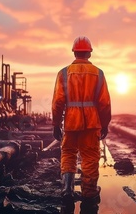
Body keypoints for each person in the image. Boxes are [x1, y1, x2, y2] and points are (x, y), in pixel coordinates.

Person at [51, 36, 112, 211]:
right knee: (90, 158)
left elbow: (57, 102)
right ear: (89, 53)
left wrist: (56, 124)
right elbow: (105, 103)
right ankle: (89, 194)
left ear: (74, 52)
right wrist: (105, 124)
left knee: (69, 154)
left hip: (70, 123)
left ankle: (67, 189)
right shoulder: (98, 73)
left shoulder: (63, 73)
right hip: (92, 125)